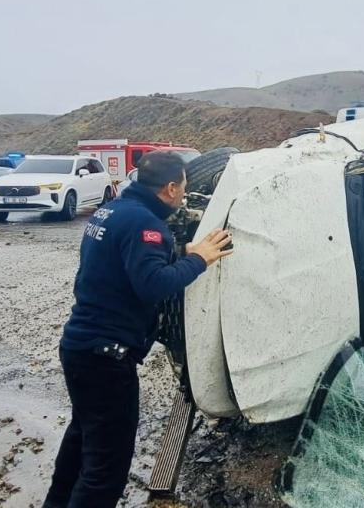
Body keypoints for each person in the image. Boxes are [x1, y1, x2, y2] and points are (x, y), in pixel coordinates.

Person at [44, 151, 233, 508]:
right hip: (106, 360)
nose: (184, 195)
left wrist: (181, 251)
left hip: (79, 348)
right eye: (183, 187)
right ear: (171, 188)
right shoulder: (147, 224)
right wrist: (199, 259)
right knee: (105, 472)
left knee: (80, 445)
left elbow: (128, 264)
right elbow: (153, 285)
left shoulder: (113, 210)